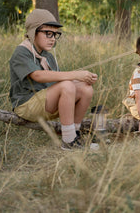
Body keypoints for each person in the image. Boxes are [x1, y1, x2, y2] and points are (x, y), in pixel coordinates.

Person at [9, 9, 97, 150]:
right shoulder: (22, 52)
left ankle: (74, 133)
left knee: (85, 88)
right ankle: (68, 141)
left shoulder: (47, 56)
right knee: (68, 85)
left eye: (56, 35)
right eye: (48, 33)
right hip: (26, 105)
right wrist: (74, 75)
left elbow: (57, 82)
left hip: (45, 102)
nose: (53, 38)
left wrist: (81, 79)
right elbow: (37, 75)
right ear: (33, 32)